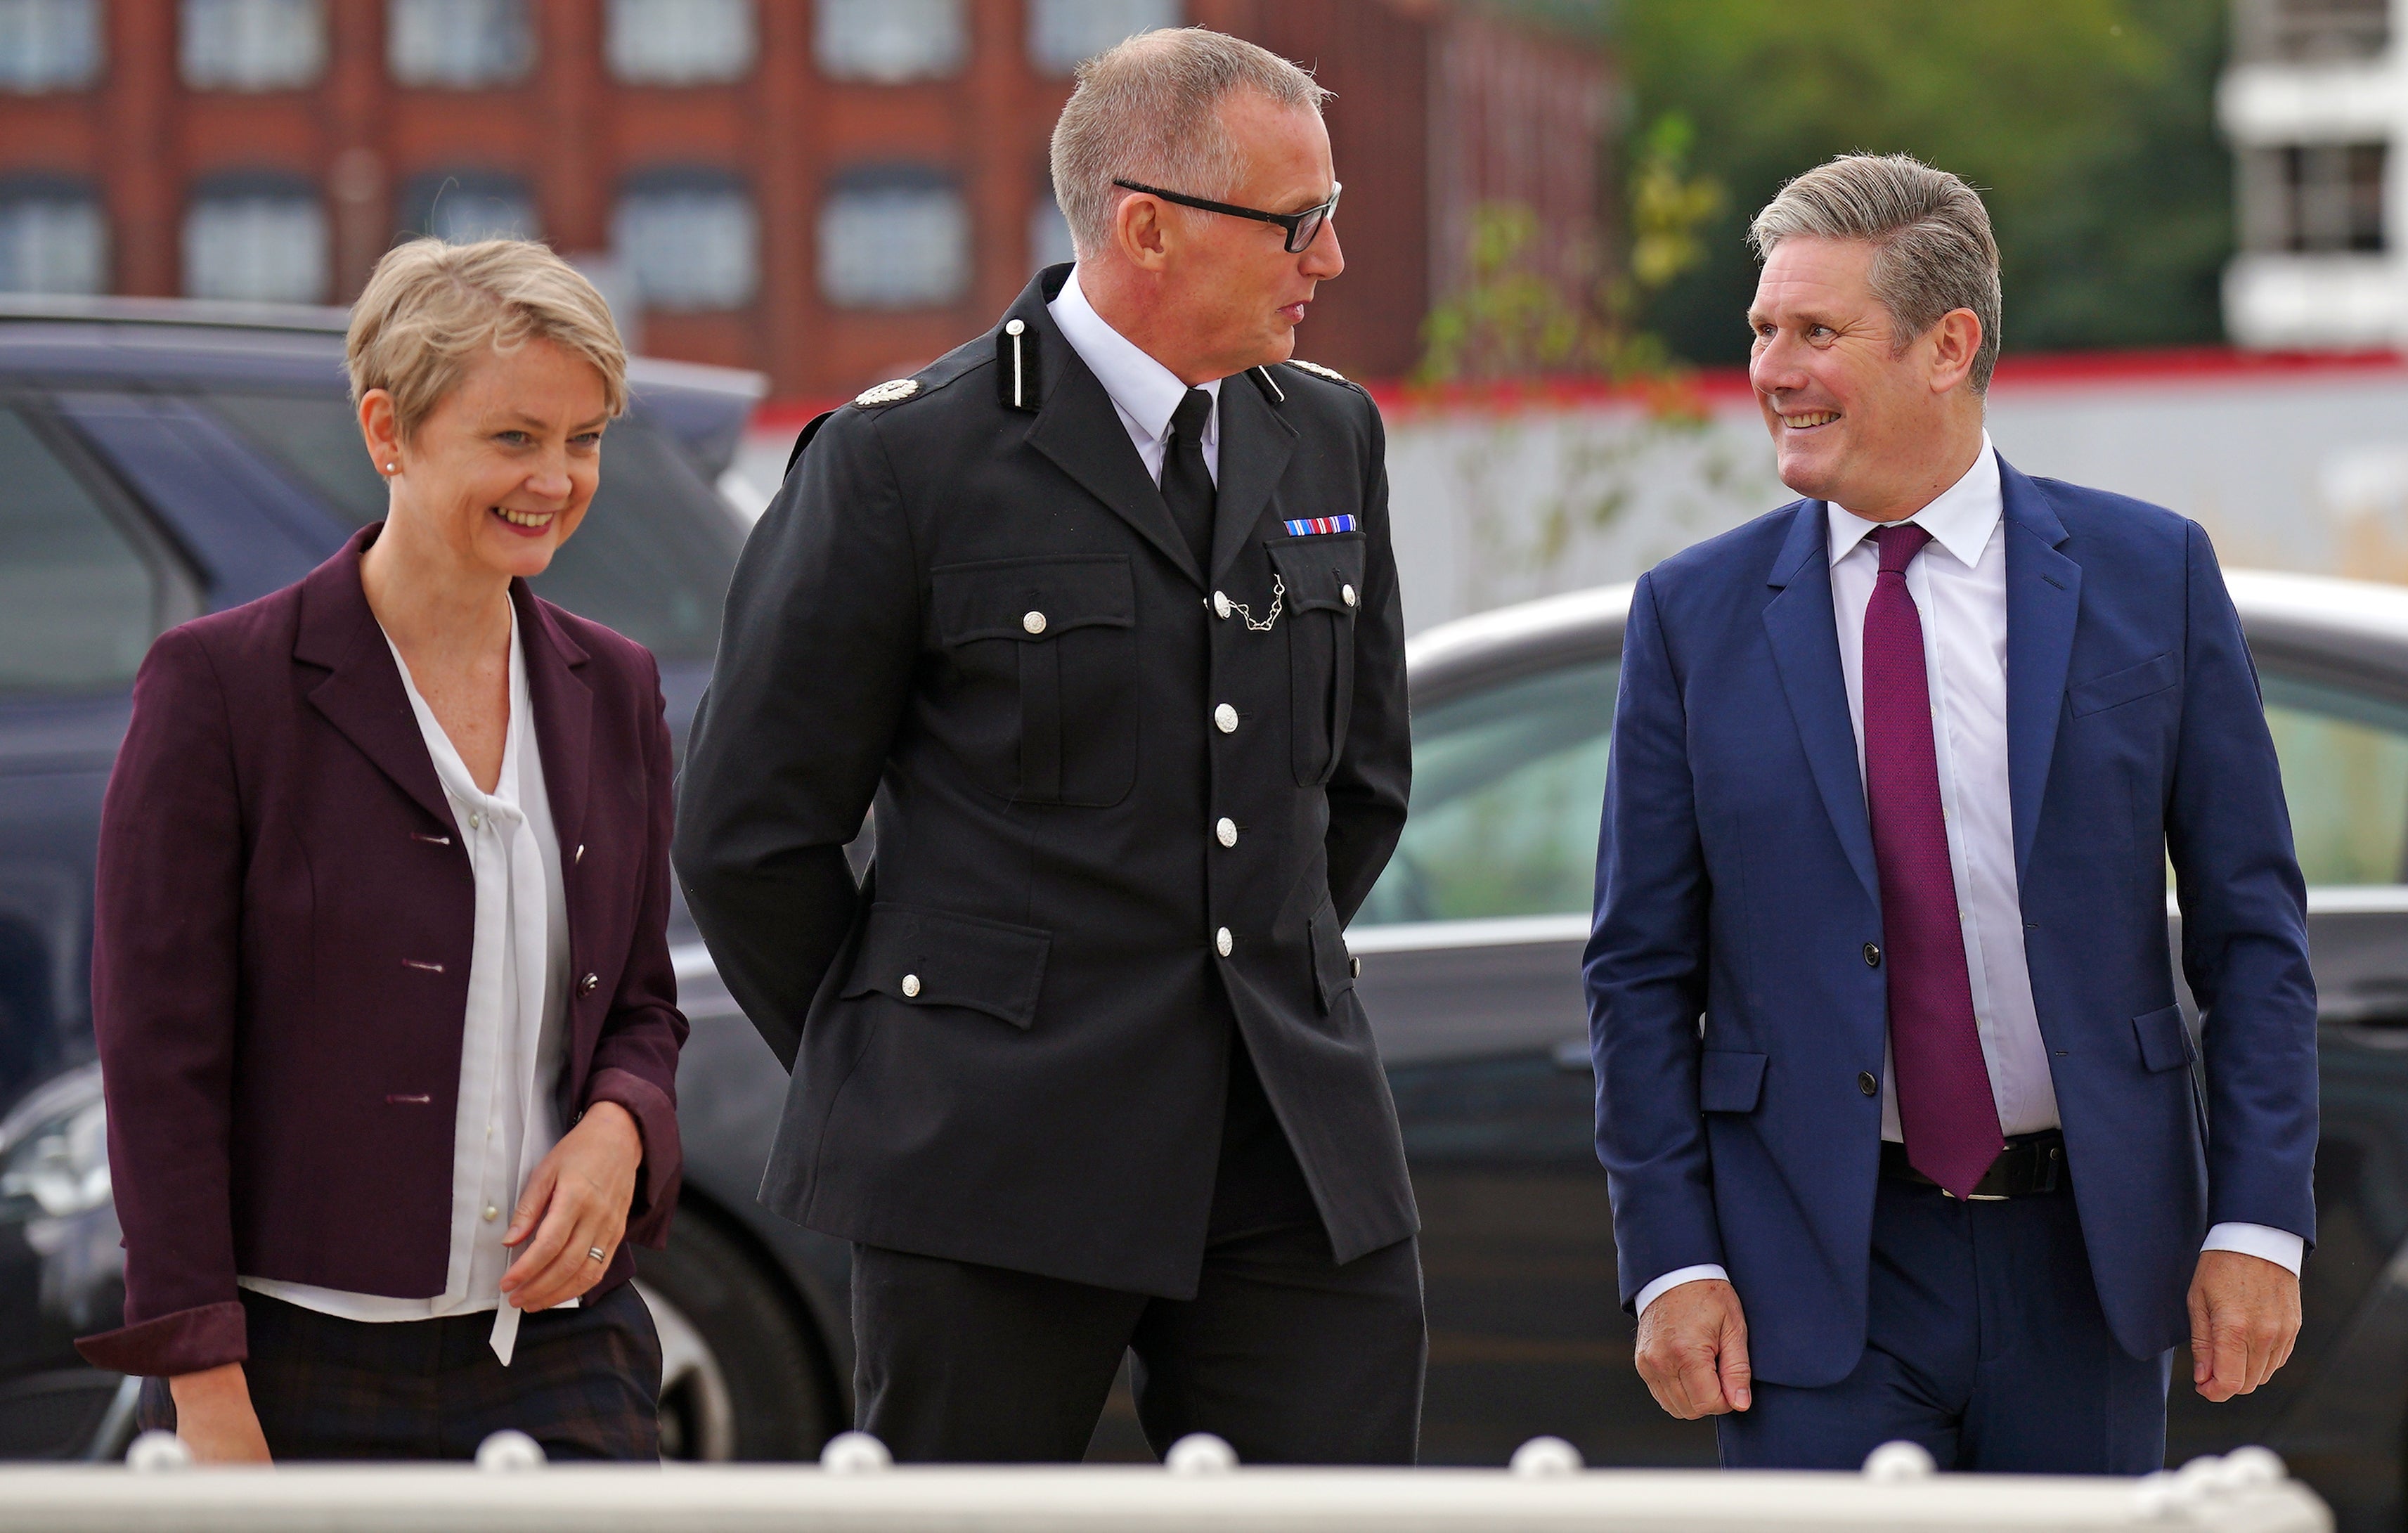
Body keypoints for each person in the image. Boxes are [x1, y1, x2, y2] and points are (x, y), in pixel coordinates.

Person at [674, 27, 1421, 1464]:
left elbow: (1358, 787)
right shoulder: (907, 459)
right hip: (990, 1161)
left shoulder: (1331, 437)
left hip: (1287, 1144)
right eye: (1299, 221)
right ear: (1147, 224)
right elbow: (749, 832)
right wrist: (917, 1047)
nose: (1326, 260)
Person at [1584, 155, 2317, 1472]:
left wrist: (2256, 1222)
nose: (1771, 370)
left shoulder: (2152, 576)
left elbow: (2252, 930)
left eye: (1815, 332)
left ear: (1948, 345)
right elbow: (1636, 970)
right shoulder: (1690, 619)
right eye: (1762, 332)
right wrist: (1669, 1258)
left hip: (2085, 1256)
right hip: (1806, 1269)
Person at [77, 238, 687, 1462]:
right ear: (387, 431)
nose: (557, 479)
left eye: (585, 439)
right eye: (514, 438)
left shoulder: (612, 686)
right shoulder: (221, 688)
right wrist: (203, 1383)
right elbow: (159, 1060)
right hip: (292, 1362)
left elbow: (639, 1005)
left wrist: (622, 1125)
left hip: (561, 1350)